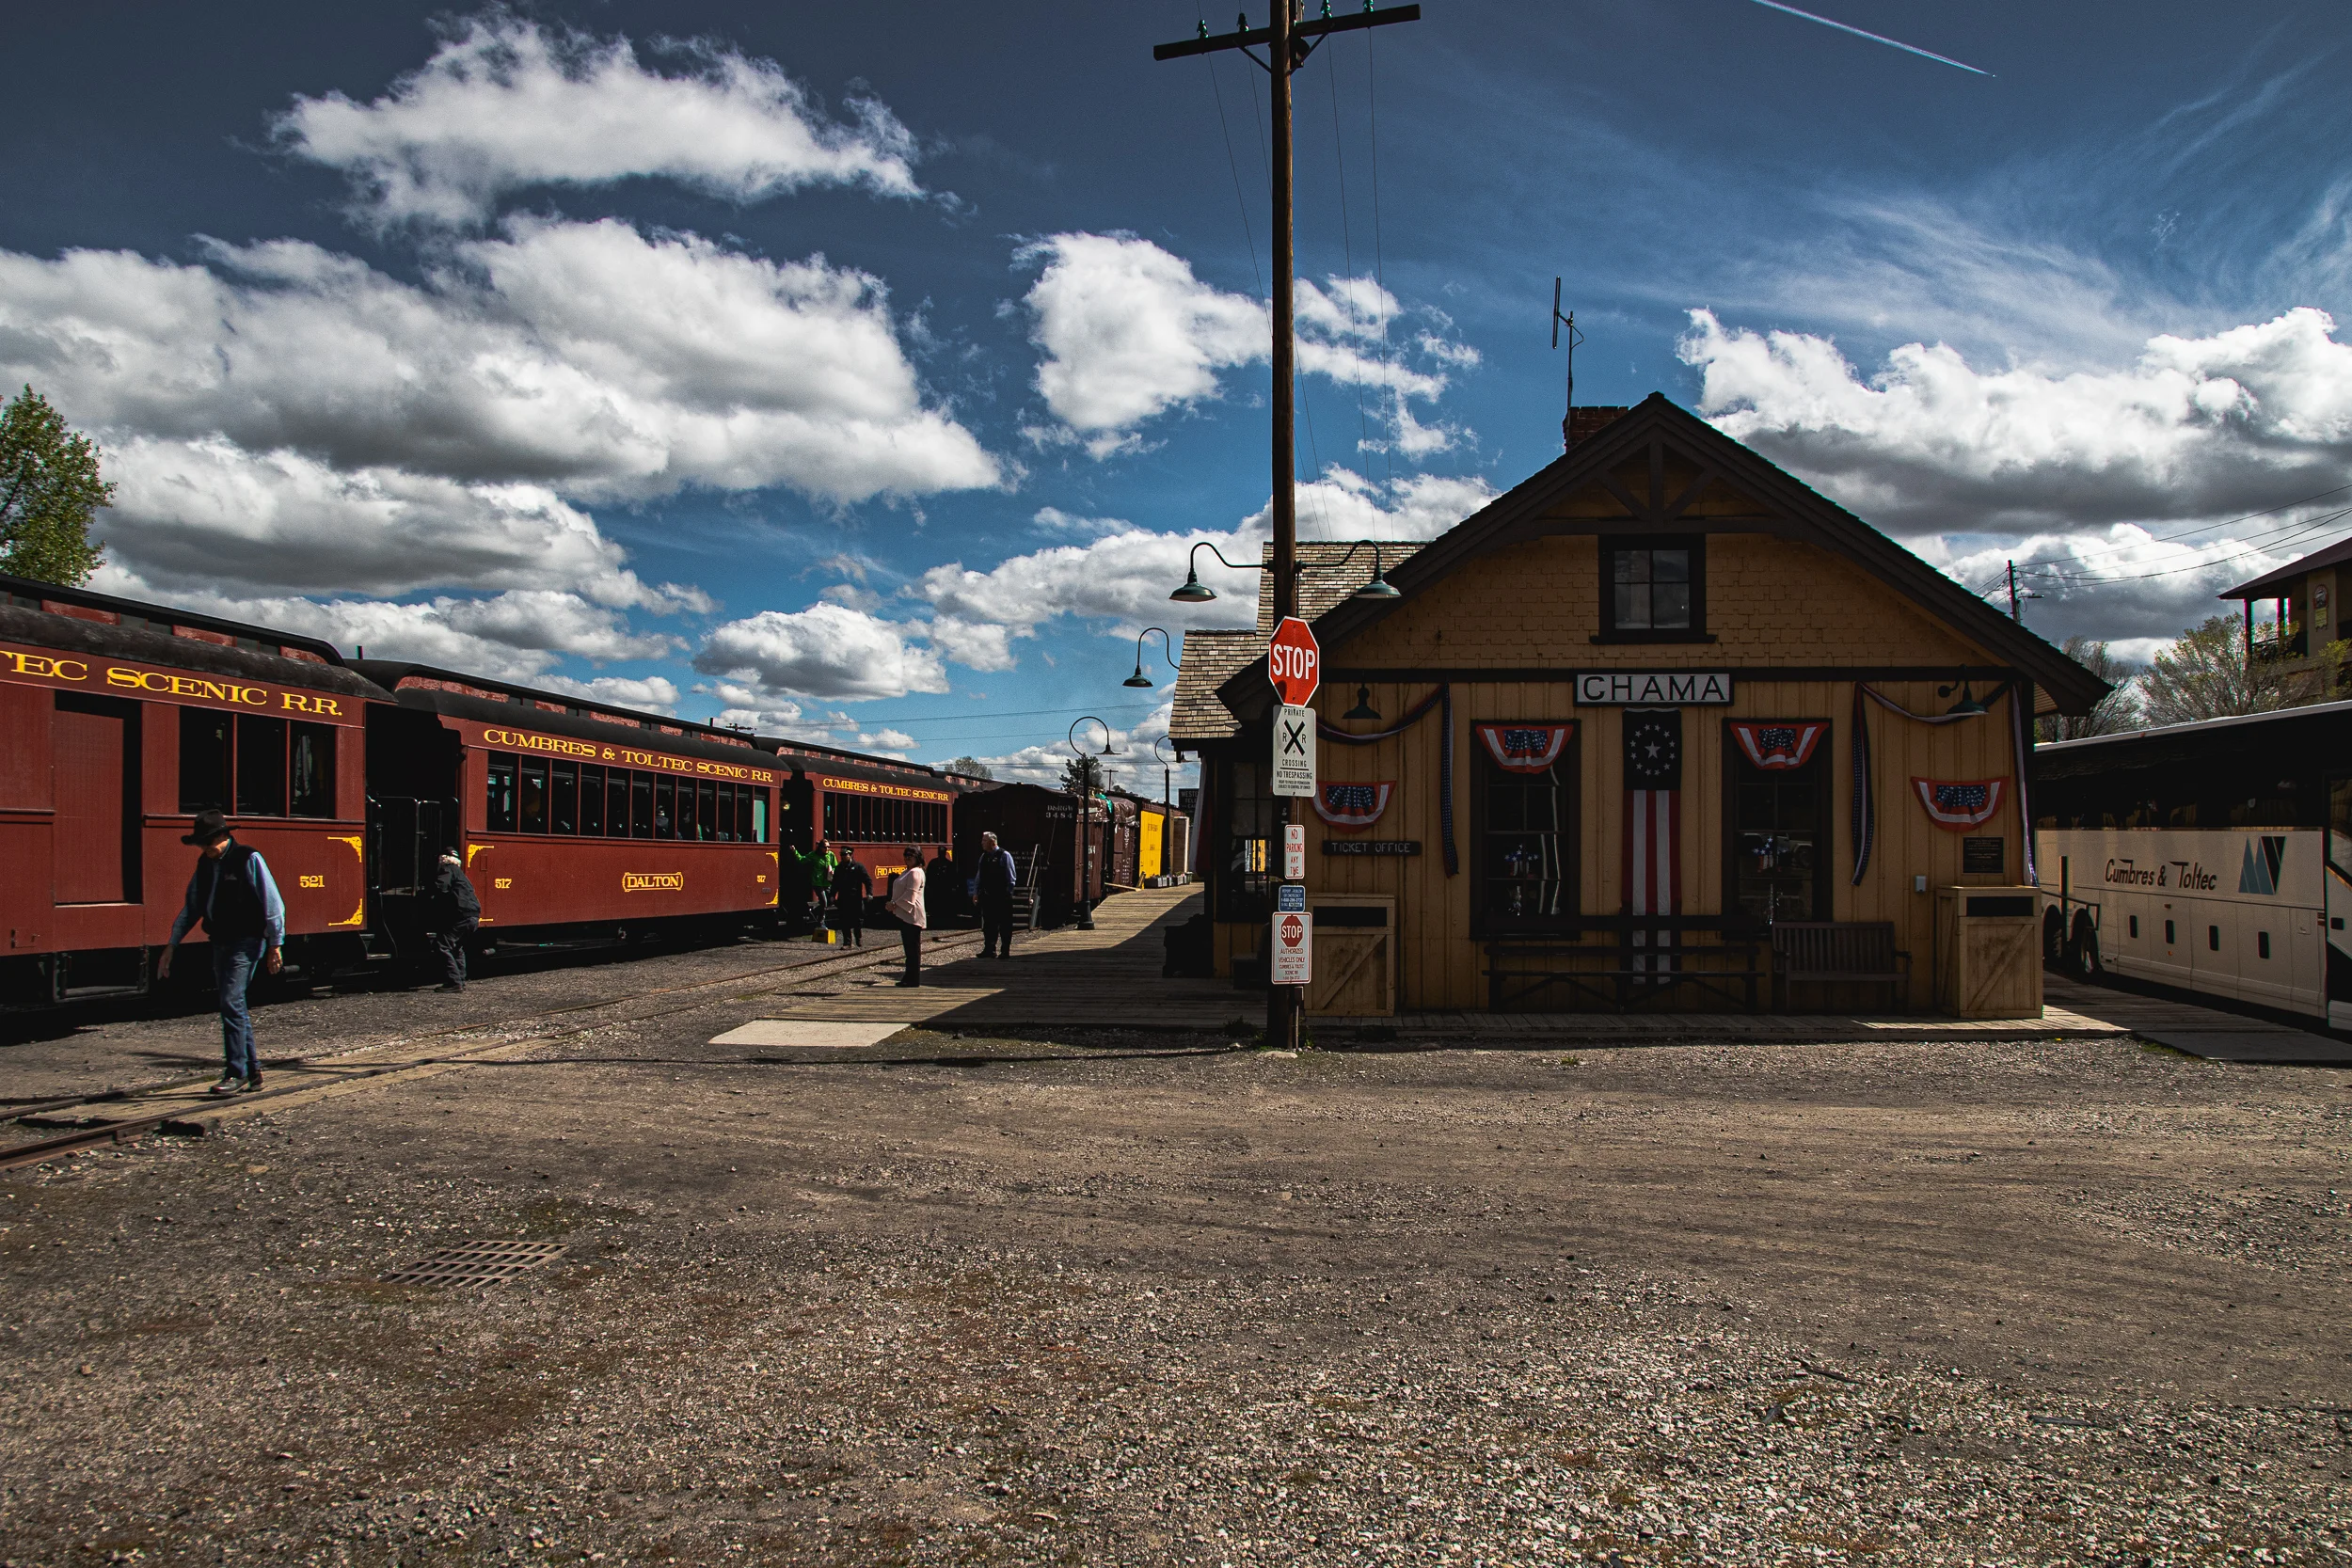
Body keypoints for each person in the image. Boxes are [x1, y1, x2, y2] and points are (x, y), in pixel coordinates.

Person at [155, 809, 285, 1096]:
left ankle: (235, 1072)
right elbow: (191, 907)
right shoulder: (205, 865)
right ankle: (252, 1072)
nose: (203, 849)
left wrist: (275, 945)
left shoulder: (248, 858)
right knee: (233, 1003)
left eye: (206, 843)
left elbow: (273, 904)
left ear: (223, 836)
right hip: (220, 941)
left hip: (246, 941)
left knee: (231, 1000)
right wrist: (171, 945)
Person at [428, 849, 481, 991]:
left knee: (442, 946)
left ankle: (454, 982)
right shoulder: (460, 873)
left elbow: (441, 887)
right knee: (457, 947)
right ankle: (461, 979)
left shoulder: (447, 869)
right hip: (473, 915)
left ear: (442, 859)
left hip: (462, 915)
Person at [968, 831, 1019, 959]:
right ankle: (989, 949)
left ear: (992, 842)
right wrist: (976, 893)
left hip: (1002, 896)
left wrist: (1008, 892)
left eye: (984, 841)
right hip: (987, 895)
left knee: (1005, 925)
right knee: (989, 924)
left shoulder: (1004, 855)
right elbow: (979, 876)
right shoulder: (983, 857)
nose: (982, 843)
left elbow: (1011, 877)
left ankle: (1005, 950)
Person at [886, 846, 926, 987]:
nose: (907, 857)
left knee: (913, 949)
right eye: (906, 855)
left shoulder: (915, 873)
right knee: (909, 949)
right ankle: (909, 977)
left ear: (918, 857)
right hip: (905, 914)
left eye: (911, 855)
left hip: (912, 914)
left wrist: (893, 904)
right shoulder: (907, 871)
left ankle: (913, 979)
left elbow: (911, 895)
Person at [831, 852, 871, 947]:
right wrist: (832, 895)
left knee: (858, 920)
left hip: (856, 898)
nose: (843, 856)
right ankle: (847, 942)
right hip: (843, 898)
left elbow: (867, 880)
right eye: (841, 854)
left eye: (845, 854)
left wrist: (869, 893)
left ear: (850, 855)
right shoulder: (839, 868)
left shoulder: (858, 867)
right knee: (844, 920)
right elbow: (835, 883)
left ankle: (858, 937)